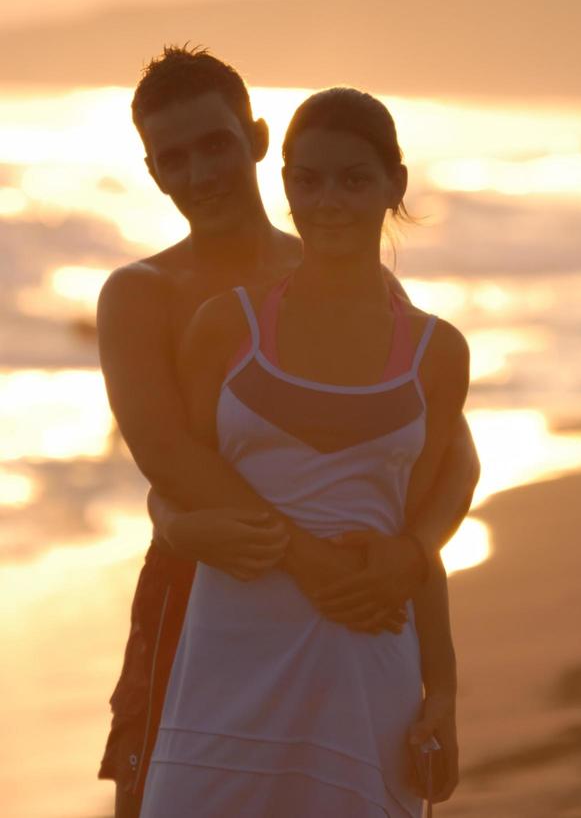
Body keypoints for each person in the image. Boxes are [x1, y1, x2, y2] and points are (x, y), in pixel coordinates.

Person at [96, 46, 479, 817]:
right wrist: (187, 522)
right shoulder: (144, 293)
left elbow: (447, 467)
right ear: (151, 172)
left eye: (215, 145)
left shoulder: (346, 266)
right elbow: (167, 456)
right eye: (173, 158)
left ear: (259, 139)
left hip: (357, 602)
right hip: (201, 592)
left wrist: (405, 559)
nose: (199, 173)